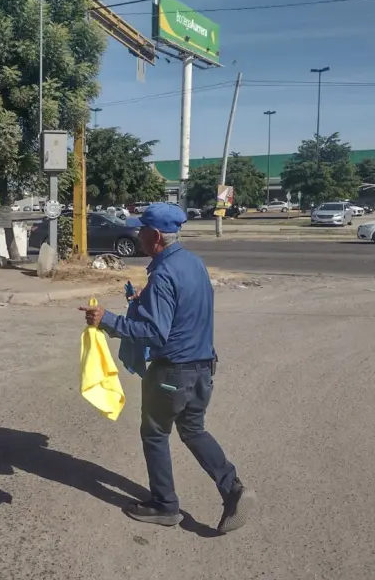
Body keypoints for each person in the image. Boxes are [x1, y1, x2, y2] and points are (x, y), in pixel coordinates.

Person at [79, 202, 255, 533]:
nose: (137, 234)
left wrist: (108, 320)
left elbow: (155, 333)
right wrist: (144, 302)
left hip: (173, 372)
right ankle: (234, 489)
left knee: (155, 434)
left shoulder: (162, 274)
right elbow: (184, 309)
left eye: (141, 230)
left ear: (155, 236)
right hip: (203, 369)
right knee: (193, 430)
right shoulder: (193, 263)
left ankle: (165, 506)